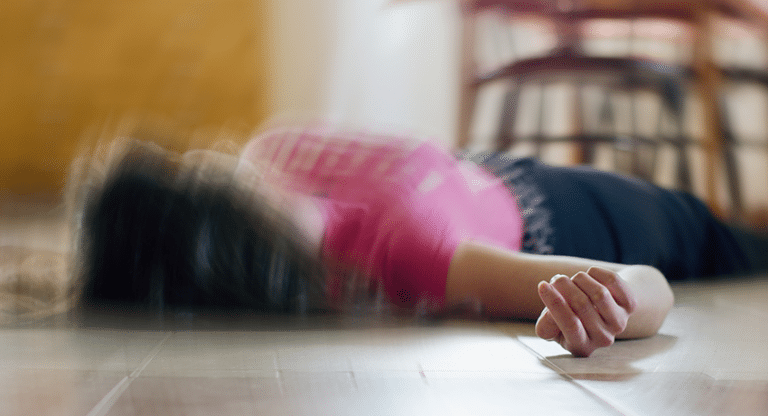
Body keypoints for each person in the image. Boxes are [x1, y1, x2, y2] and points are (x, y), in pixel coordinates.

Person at [69, 123, 765, 357]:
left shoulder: (275, 148)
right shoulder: (417, 252)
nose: (205, 159)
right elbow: (649, 286)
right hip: (606, 216)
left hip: (507, 174)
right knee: (740, 246)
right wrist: (608, 302)